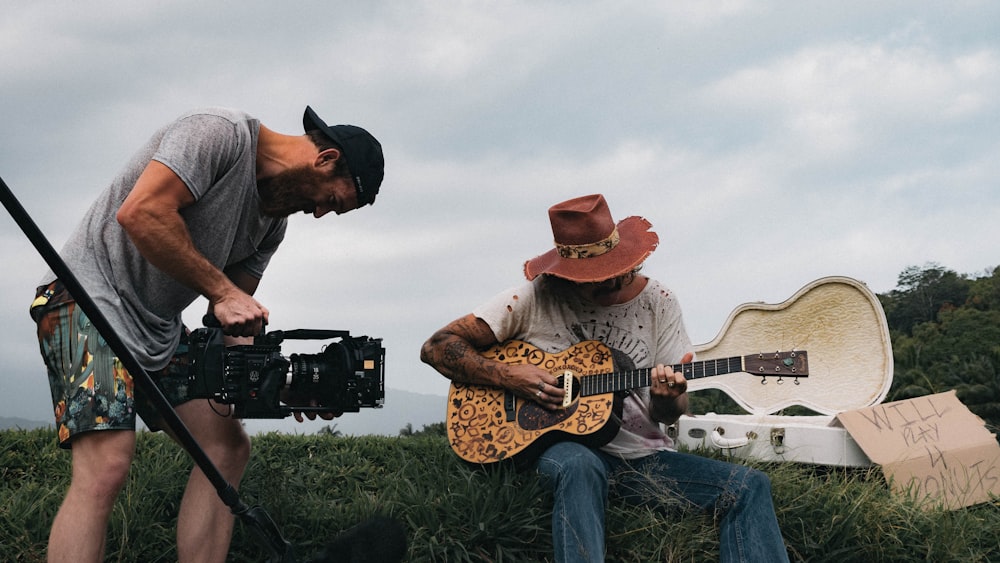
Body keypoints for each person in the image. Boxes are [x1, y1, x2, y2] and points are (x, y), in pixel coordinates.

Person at [30, 106, 383, 563]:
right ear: (325, 158)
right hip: (84, 298)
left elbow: (231, 320)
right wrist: (221, 290)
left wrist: (281, 386)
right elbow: (140, 213)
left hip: (156, 329)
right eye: (329, 201)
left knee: (226, 446)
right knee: (108, 463)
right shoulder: (216, 134)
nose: (317, 213)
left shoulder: (272, 225)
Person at [420, 194, 789, 562]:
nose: (612, 282)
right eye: (595, 278)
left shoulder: (658, 301)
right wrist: (510, 376)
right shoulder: (534, 299)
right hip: (560, 452)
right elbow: (437, 346)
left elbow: (669, 413)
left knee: (749, 487)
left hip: (641, 458)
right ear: (566, 275)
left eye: (617, 270)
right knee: (581, 465)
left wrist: (665, 396)